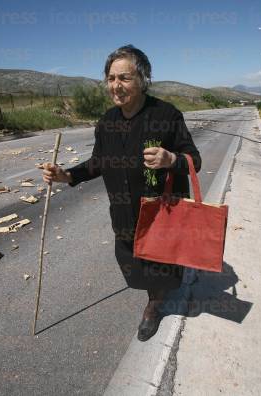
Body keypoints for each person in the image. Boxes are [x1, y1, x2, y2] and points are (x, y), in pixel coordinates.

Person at [42, 45, 201, 342]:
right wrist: (67, 175)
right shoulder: (107, 122)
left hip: (159, 213)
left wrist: (171, 160)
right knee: (133, 264)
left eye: (124, 78)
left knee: (157, 267)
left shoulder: (166, 115)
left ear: (143, 78)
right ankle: (155, 292)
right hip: (124, 213)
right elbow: (97, 163)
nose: (116, 85)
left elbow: (195, 160)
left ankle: (154, 307)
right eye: (111, 78)